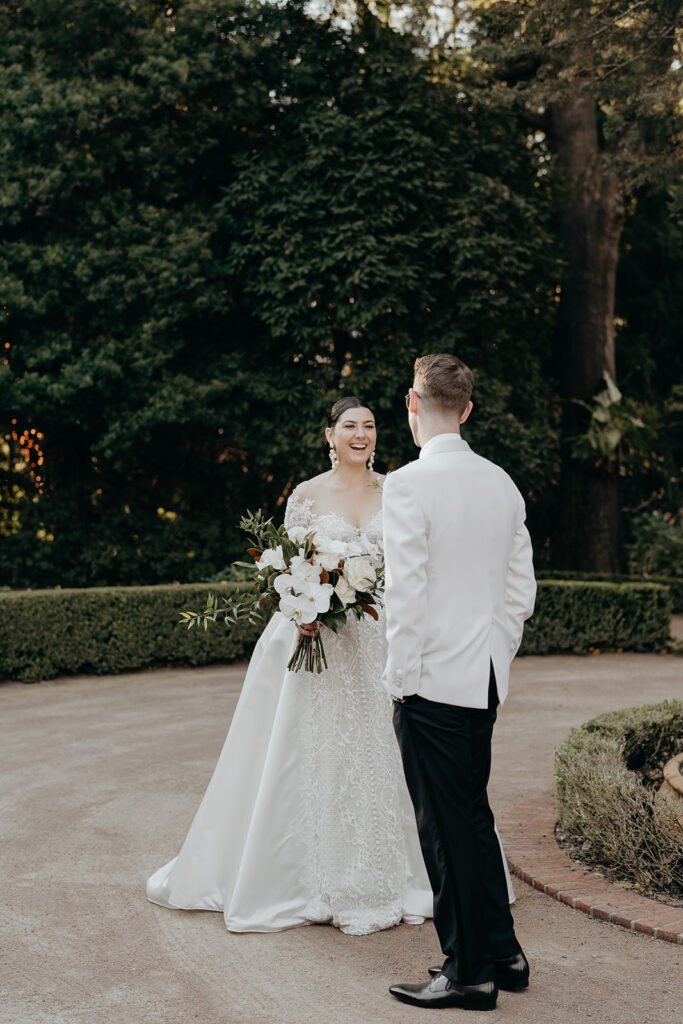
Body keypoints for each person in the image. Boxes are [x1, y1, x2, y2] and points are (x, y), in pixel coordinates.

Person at [146, 395, 516, 936]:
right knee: (312, 752)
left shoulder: (398, 487)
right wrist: (299, 607)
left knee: (391, 754)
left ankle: (413, 877)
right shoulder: (306, 495)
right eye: (349, 426)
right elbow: (286, 571)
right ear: (330, 435)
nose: (361, 434)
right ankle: (308, 877)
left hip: (384, 639)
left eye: (369, 425)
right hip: (318, 644)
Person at [383, 354, 536, 1010]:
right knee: (472, 817)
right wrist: (495, 652)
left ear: (412, 404)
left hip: (431, 684)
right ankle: (503, 953)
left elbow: (406, 594)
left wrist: (399, 680)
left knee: (444, 832)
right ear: (467, 409)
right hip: (484, 679)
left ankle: (468, 972)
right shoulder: (502, 483)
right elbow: (520, 590)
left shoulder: (407, 484)